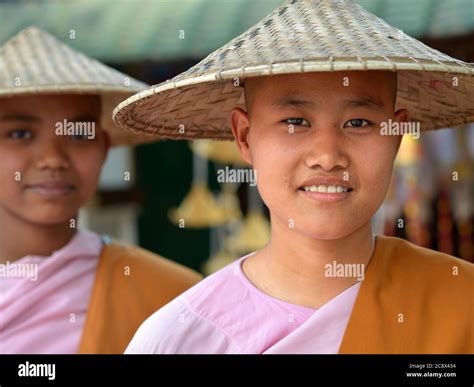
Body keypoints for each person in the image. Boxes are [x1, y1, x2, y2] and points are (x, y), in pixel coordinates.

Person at [114, 0, 474, 354]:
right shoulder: (180, 339)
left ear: (396, 135)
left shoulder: (462, 306)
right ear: (244, 136)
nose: (328, 156)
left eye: (359, 123)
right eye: (295, 122)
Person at [0, 27, 202, 354]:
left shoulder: (175, 296)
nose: (53, 159)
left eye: (80, 134)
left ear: (104, 148)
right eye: (20, 134)